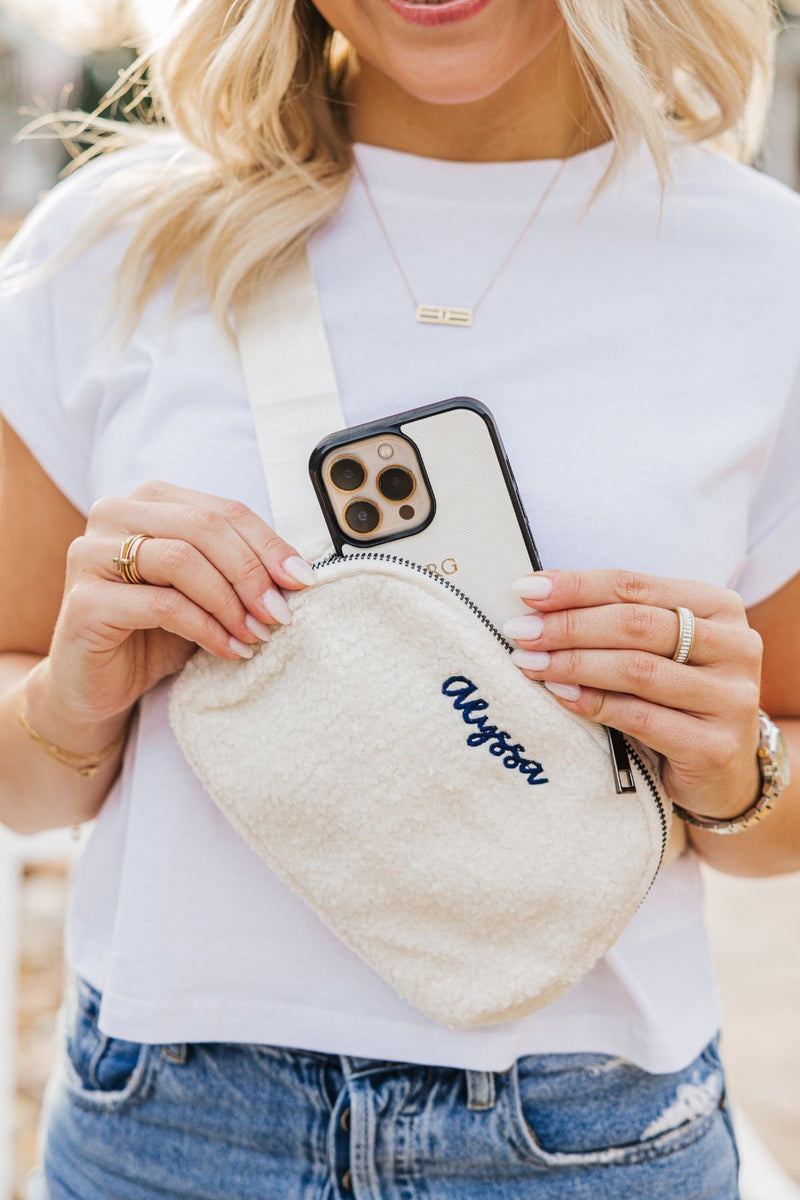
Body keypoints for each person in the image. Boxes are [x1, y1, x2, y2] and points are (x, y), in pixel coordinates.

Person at [1, 0, 798, 1196]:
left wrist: (733, 769)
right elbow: (23, 777)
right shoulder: (109, 244)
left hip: (584, 1137)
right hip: (165, 1127)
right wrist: (70, 698)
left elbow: (774, 801)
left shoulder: (764, 271)